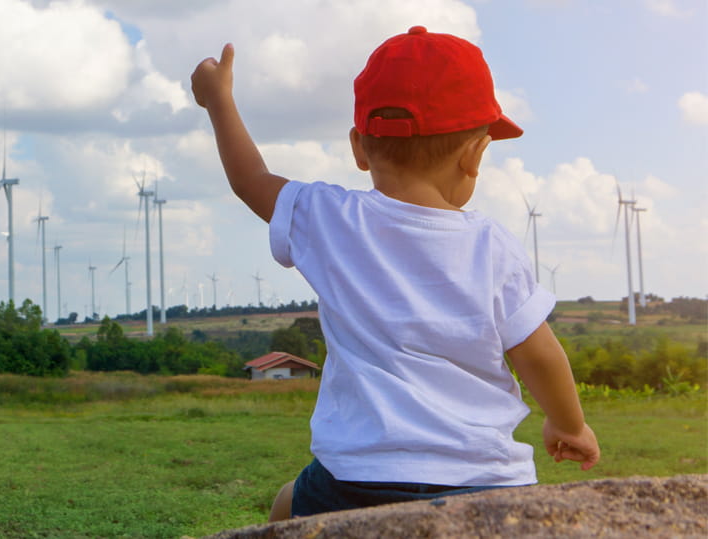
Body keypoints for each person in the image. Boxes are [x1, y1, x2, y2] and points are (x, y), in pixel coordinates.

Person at [190, 26, 600, 520]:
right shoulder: (492, 246)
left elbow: (250, 180)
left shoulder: (328, 218)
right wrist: (569, 425)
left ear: (359, 148)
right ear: (474, 155)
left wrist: (219, 102)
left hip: (355, 481)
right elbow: (540, 354)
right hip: (485, 483)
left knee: (285, 505)